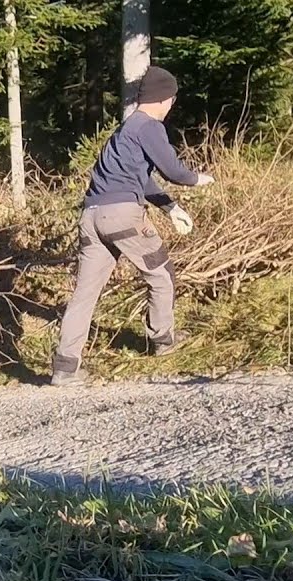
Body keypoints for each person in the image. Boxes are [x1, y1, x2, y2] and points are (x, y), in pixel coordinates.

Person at [50, 66, 214, 387]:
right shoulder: (150, 126)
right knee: (161, 273)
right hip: (123, 217)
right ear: (164, 98)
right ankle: (163, 341)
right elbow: (173, 170)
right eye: (171, 100)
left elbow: (143, 180)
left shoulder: (124, 131)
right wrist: (197, 179)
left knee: (85, 293)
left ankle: (65, 367)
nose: (171, 107)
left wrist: (171, 207)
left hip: (91, 217)